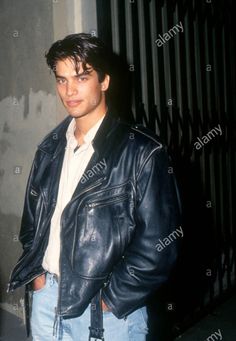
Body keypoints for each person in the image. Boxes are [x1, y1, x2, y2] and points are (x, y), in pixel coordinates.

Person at [8, 33, 181, 341]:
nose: (69, 90)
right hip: (47, 297)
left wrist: (110, 301)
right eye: (61, 80)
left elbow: (159, 244)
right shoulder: (49, 148)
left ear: (104, 81)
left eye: (81, 77)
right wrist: (37, 277)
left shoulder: (141, 151)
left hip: (105, 312)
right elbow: (33, 223)